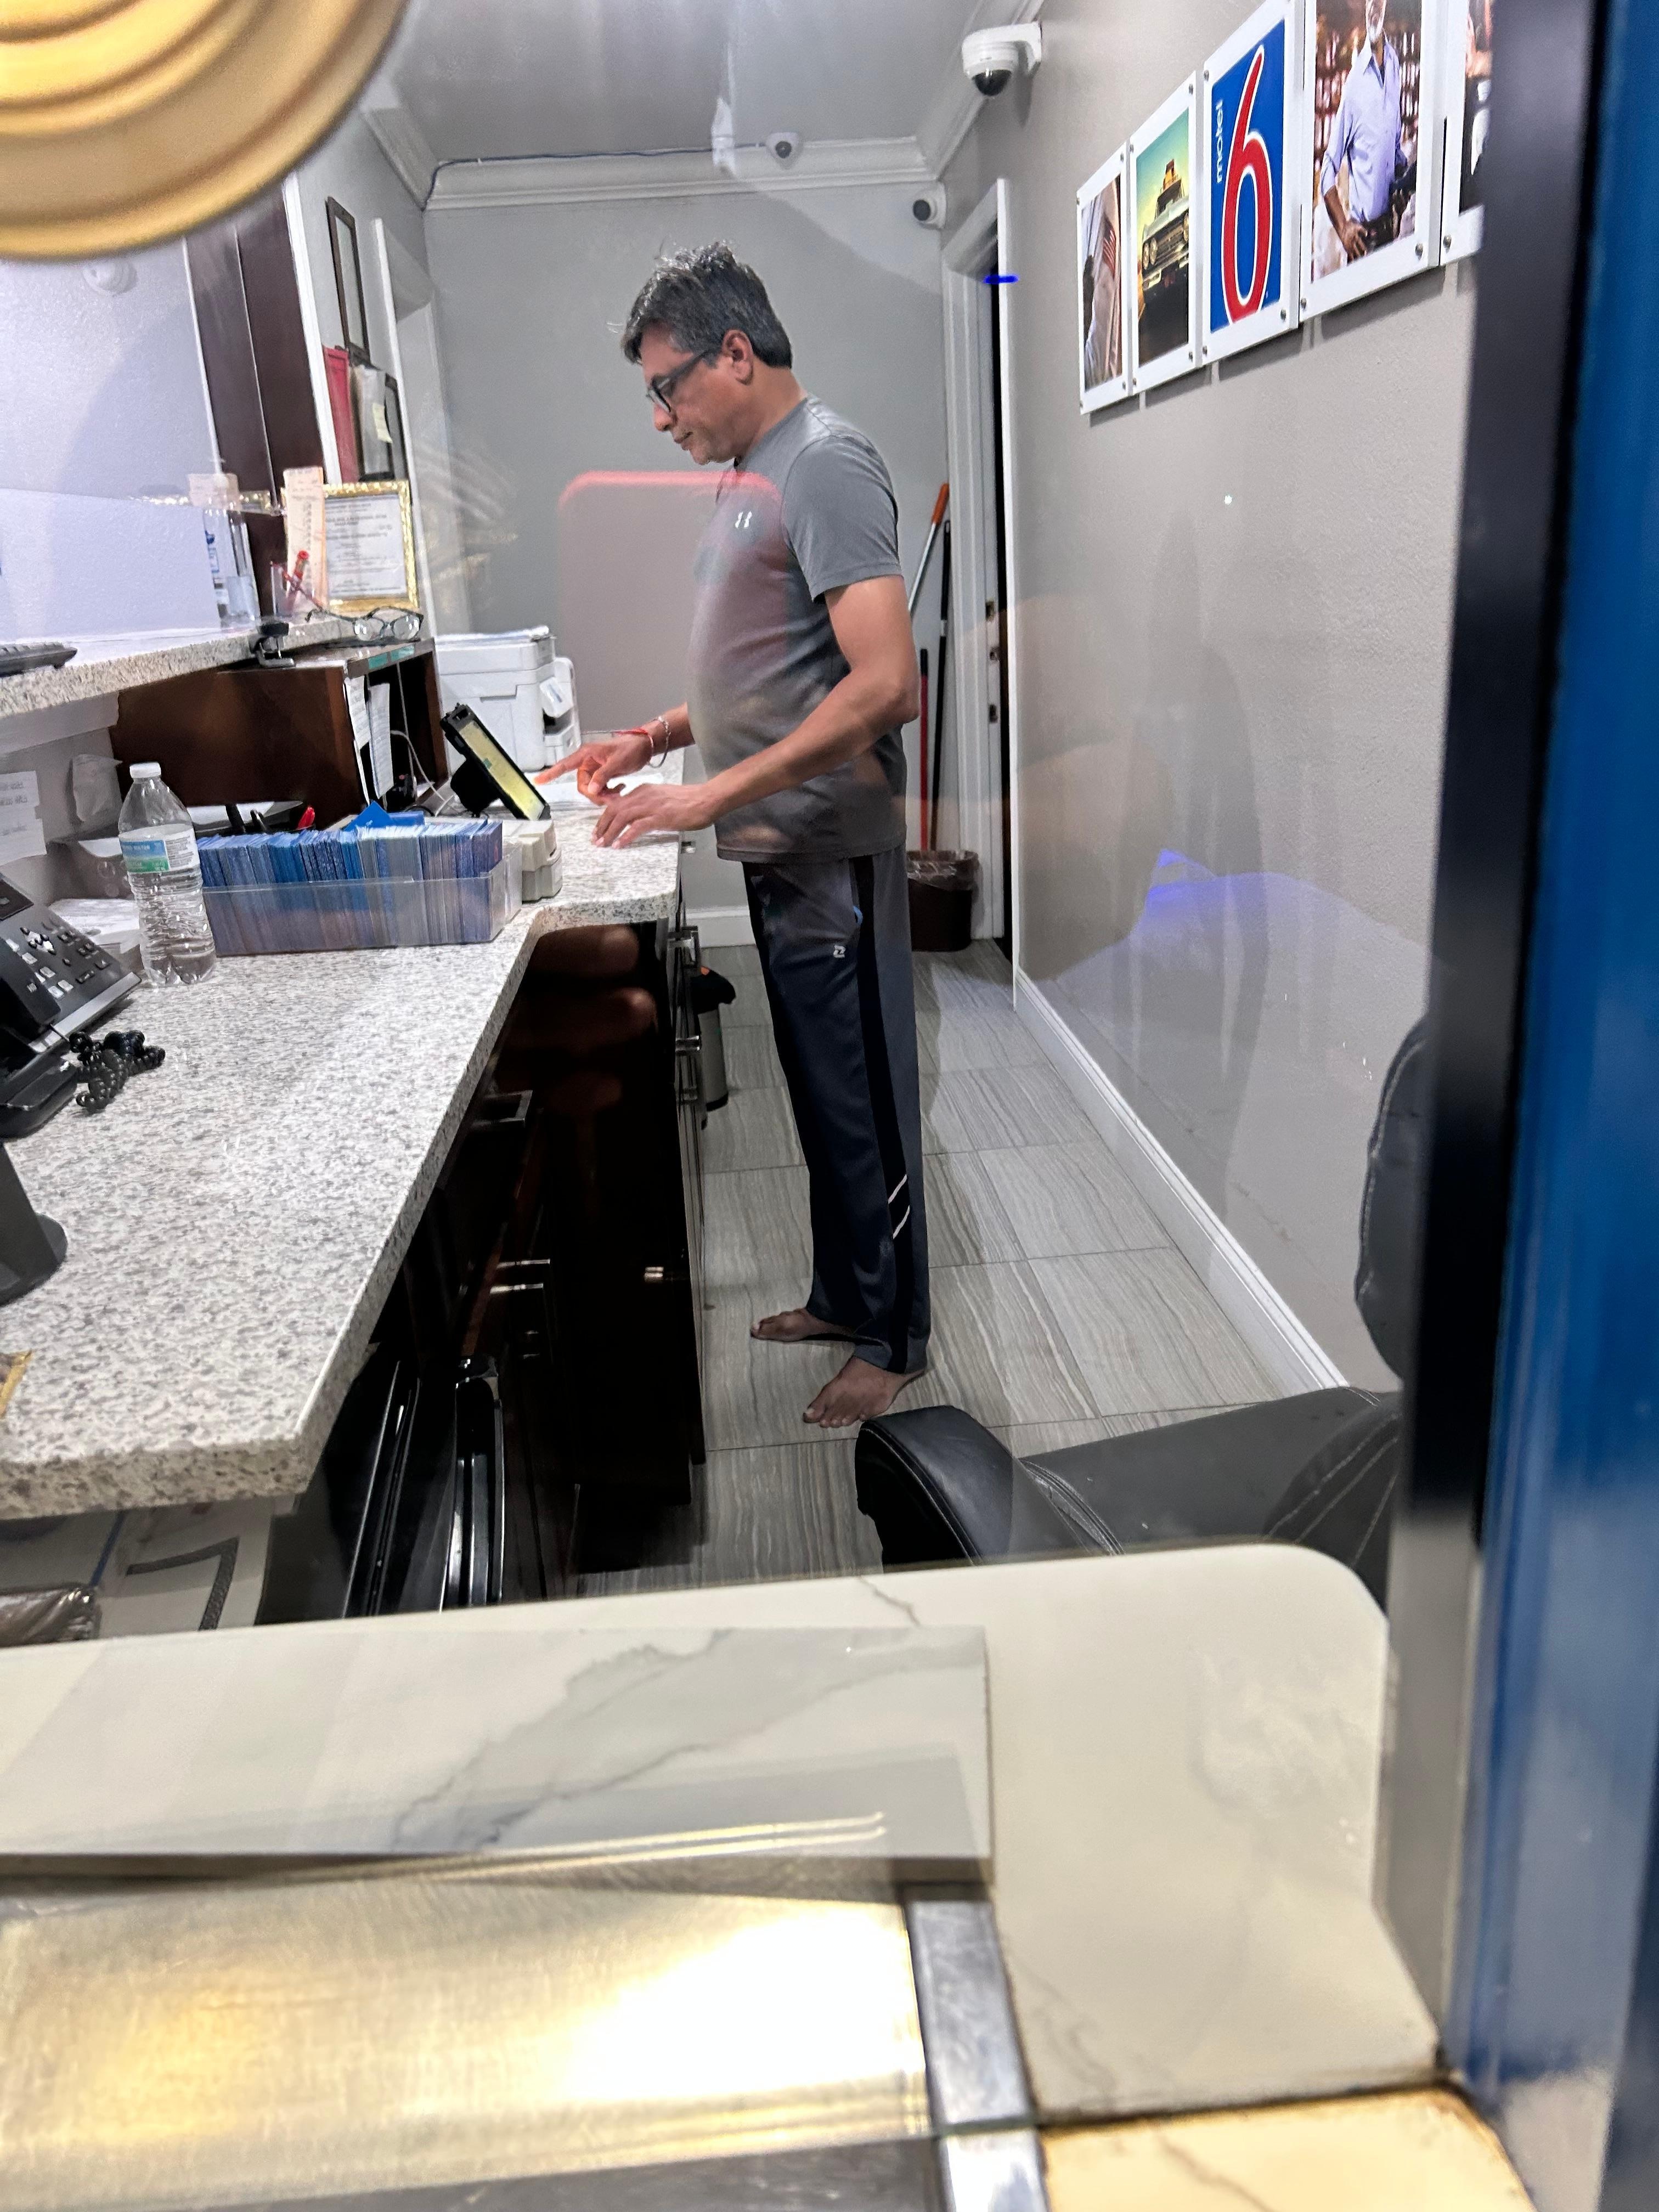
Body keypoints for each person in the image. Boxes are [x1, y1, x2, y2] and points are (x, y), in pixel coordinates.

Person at [549, 244, 929, 1431]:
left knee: (865, 1100)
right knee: (819, 1095)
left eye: (667, 387)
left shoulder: (825, 464)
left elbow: (886, 684)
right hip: (780, 846)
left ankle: (894, 1338)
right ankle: (843, 1293)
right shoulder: (753, 475)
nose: (661, 418)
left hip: (830, 851)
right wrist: (657, 734)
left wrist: (707, 798)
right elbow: (762, 663)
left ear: (734, 353)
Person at [1321, 0, 1418, 262]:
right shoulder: (1355, 84)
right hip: (1366, 242)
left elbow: (1393, 147)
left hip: (1393, 232)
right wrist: (1344, 228)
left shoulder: (1395, 65)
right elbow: (1328, 168)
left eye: (1379, 2)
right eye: (1370, 3)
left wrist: (1405, 179)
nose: (1375, 8)